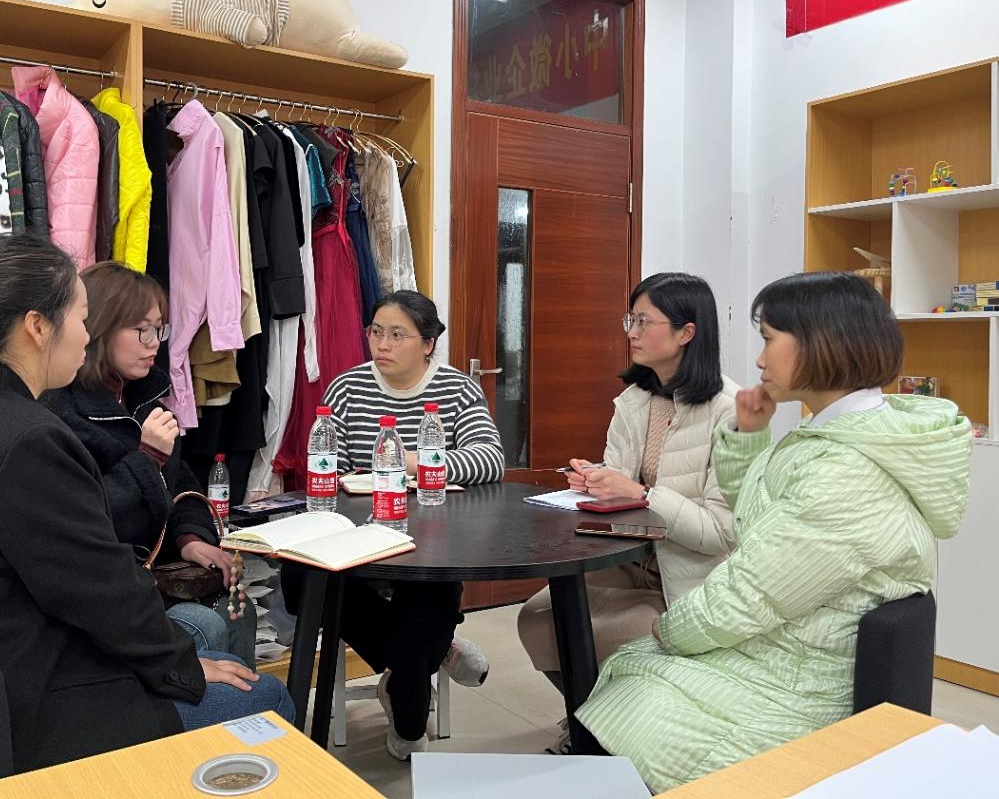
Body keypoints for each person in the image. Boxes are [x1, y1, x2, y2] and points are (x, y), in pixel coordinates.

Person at [0, 235, 293, 777]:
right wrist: (183, 667)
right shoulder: (28, 441)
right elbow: (104, 591)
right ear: (38, 327)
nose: (87, 335)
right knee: (262, 696)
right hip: (17, 709)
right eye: (82, 319)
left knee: (211, 652)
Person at [575, 271, 972, 792]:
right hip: (790, 642)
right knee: (623, 677)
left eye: (768, 340)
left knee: (630, 699)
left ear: (821, 343)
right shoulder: (835, 436)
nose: (759, 360)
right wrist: (748, 437)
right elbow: (758, 523)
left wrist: (670, 629)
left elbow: (752, 590)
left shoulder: (846, 472)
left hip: (801, 677)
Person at [517, 272, 738, 754]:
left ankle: (604, 732)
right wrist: (597, 483)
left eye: (643, 321)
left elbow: (721, 532)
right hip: (627, 558)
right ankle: (592, 721)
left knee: (623, 633)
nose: (631, 333)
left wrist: (639, 491)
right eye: (629, 320)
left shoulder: (729, 411)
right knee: (536, 620)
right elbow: (620, 486)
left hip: (689, 577)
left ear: (687, 332)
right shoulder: (634, 401)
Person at [281, 290, 504, 761]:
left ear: (428, 343)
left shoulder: (457, 389)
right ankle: (434, 653)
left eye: (397, 334)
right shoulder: (347, 388)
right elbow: (332, 472)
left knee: (425, 595)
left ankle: (410, 693)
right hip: (360, 535)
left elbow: (489, 459)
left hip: (433, 536)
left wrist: (414, 462)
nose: (382, 344)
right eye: (376, 332)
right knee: (299, 577)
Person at [42, 261, 254, 665]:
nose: (154, 342)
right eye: (142, 329)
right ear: (99, 328)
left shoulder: (142, 397)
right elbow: (87, 518)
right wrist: (147, 456)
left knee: (237, 604)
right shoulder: (61, 409)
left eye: (160, 330)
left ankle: (240, 704)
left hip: (150, 576)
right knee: (204, 624)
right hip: (99, 596)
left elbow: (181, 483)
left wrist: (190, 537)